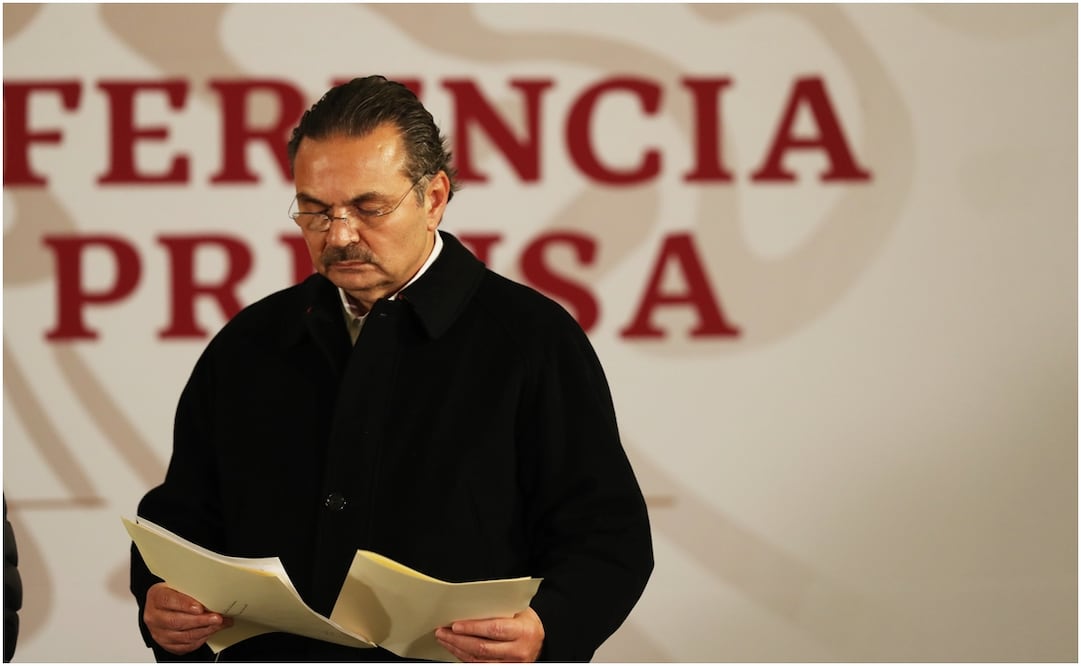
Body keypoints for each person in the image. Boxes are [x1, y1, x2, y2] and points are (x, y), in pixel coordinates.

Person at [129, 75, 653, 662]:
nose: (340, 234)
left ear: (434, 197)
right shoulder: (250, 342)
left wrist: (545, 627)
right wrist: (159, 601)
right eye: (314, 211)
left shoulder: (531, 340)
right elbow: (180, 521)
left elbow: (610, 538)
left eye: (368, 207)